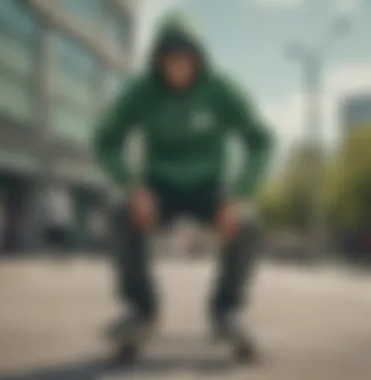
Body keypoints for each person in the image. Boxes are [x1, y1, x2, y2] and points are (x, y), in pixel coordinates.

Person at [94, 14, 274, 353]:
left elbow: (260, 140)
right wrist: (132, 187)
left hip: (210, 188)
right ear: (158, 59)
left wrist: (239, 194)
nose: (177, 68)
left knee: (249, 224)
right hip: (158, 187)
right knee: (119, 212)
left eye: (185, 58)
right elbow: (105, 139)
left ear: (198, 58)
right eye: (169, 59)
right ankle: (141, 309)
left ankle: (227, 310)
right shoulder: (143, 92)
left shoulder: (221, 90)